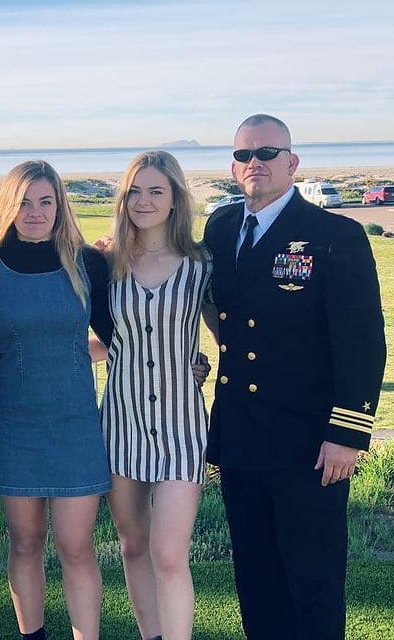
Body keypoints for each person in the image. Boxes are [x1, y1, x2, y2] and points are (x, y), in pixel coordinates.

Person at [202, 113, 387, 640]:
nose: (254, 163)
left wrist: (348, 434)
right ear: (234, 167)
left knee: (313, 577)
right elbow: (214, 305)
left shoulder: (334, 235)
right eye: (244, 155)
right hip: (241, 437)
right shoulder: (220, 226)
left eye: (266, 152)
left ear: (292, 161)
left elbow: (363, 342)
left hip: (310, 440)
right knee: (255, 576)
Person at [0, 160, 113, 640]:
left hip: (76, 426)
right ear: (8, 205)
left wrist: (186, 361)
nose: (35, 212)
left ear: (60, 205)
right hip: (14, 425)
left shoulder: (88, 262)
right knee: (26, 543)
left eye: (45, 201)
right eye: (24, 202)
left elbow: (119, 338)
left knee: (76, 546)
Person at [93, 151, 216, 640]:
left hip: (182, 426)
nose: (143, 201)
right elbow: (105, 341)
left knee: (169, 553)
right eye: (134, 191)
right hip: (122, 425)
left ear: (174, 200)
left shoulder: (201, 266)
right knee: (133, 544)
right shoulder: (104, 263)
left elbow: (227, 334)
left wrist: (202, 363)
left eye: (155, 191)